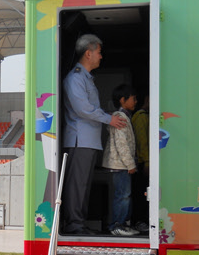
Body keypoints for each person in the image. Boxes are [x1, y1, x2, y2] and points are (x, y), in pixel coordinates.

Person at [61, 34, 127, 235]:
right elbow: (83, 109)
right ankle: (74, 225)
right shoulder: (75, 78)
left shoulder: (85, 78)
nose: (101, 56)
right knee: (77, 186)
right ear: (88, 54)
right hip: (79, 141)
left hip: (88, 141)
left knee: (83, 185)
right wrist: (109, 119)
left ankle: (78, 223)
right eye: (98, 52)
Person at [102, 84, 140, 237]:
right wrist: (130, 164)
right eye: (133, 98)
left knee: (125, 194)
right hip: (121, 164)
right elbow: (121, 143)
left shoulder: (124, 116)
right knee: (123, 195)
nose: (136, 101)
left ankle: (123, 224)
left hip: (122, 164)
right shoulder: (121, 117)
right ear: (123, 100)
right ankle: (117, 225)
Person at [131, 94, 150, 233]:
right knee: (142, 194)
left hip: (145, 161)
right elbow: (142, 142)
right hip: (143, 162)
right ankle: (139, 222)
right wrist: (147, 161)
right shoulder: (141, 117)